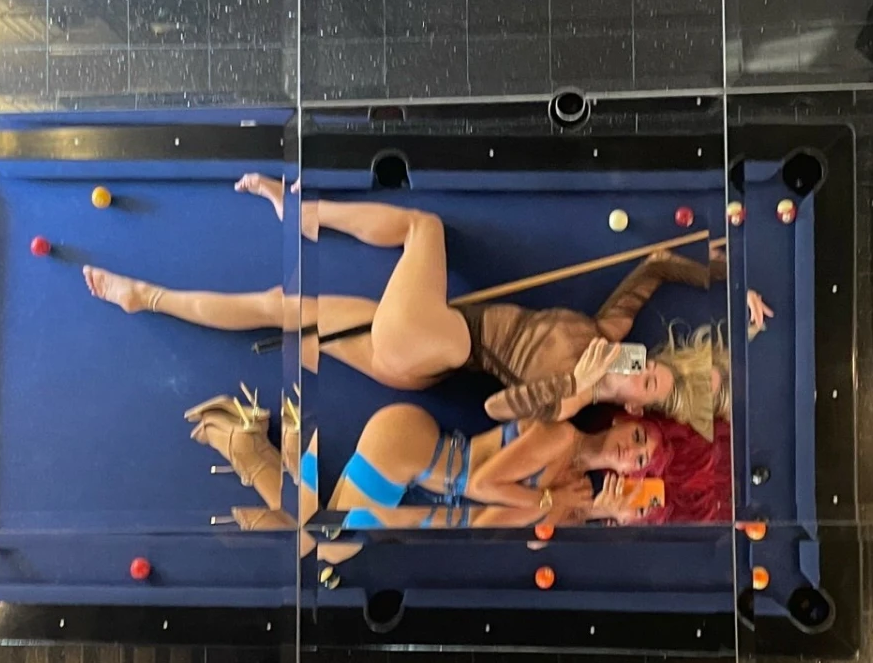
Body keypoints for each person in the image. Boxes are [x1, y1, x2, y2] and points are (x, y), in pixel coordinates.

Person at [83, 175, 768, 439]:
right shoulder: (608, 330)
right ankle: (145, 297)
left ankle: (304, 213)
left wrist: (578, 387)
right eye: (652, 363)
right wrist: (726, 276)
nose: (637, 367)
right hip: (420, 349)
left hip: (432, 347)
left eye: (645, 382)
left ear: (639, 407)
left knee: (424, 228)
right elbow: (654, 266)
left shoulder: (575, 402)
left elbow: (496, 408)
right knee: (281, 306)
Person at [187, 391, 730, 562]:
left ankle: (259, 448)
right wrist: (548, 502)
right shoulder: (561, 436)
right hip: (407, 447)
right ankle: (248, 445)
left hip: (421, 481)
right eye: (640, 437)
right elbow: (486, 484)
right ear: (623, 420)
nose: (632, 452)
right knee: (326, 544)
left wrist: (592, 510)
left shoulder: (574, 487)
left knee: (327, 544)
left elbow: (515, 534)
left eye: (642, 462)